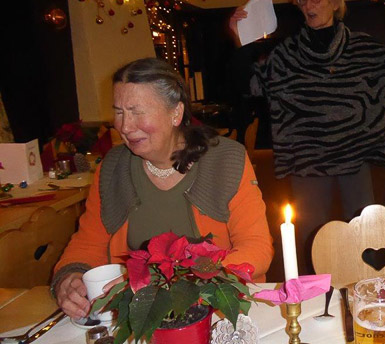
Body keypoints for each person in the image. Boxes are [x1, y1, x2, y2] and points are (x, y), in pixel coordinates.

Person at [229, 0, 385, 272]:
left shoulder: (362, 49)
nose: (308, 4)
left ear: (334, 1)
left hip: (354, 155)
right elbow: (249, 85)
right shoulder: (287, 54)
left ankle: (366, 290)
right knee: (311, 239)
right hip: (308, 160)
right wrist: (240, 40)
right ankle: (315, 295)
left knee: (365, 236)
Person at [51, 58, 274, 319]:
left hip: (220, 313)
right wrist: (71, 277)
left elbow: (256, 248)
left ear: (176, 113)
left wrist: (173, 283)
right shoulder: (113, 168)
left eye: (137, 112)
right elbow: (88, 243)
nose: (125, 126)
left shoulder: (225, 160)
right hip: (140, 318)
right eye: (119, 112)